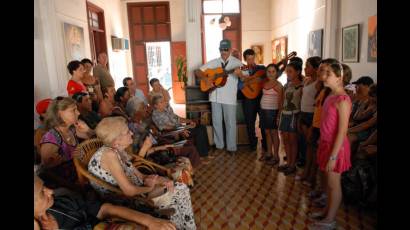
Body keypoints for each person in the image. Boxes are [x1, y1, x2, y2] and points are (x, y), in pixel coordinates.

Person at [88, 117, 196, 229]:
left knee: (176, 189)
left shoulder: (119, 150)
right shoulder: (109, 155)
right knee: (178, 192)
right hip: (123, 200)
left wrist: (160, 179)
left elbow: (141, 176)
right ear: (116, 140)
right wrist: (149, 188)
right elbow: (129, 191)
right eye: (127, 132)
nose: (131, 132)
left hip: (138, 189)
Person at [34, 175, 176, 230]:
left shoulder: (62, 200)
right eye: (42, 192)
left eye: (45, 186)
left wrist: (149, 221)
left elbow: (105, 209)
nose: (50, 191)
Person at [309, 58, 352, 229]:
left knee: (334, 185)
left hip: (337, 148)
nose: (323, 76)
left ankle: (330, 220)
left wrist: (333, 156)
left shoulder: (343, 100)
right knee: (327, 183)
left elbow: (342, 132)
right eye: (322, 72)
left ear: (339, 77)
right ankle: (327, 211)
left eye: (328, 73)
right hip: (326, 144)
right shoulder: (331, 96)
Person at [195, 39, 243, 155]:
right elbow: (197, 71)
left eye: (226, 49)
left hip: (229, 98)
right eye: (222, 49)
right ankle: (219, 145)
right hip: (214, 97)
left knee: (230, 123)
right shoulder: (214, 62)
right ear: (219, 50)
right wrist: (206, 78)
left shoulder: (238, 63)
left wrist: (240, 74)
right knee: (216, 122)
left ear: (230, 50)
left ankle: (231, 148)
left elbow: (245, 78)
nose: (224, 51)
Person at [40, 97, 94, 188]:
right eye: (73, 110)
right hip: (64, 185)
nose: (78, 113)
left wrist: (88, 130)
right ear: (59, 114)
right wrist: (69, 157)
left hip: (80, 175)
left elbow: (93, 138)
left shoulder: (72, 129)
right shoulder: (51, 137)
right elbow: (47, 169)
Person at [296, 56, 322, 184]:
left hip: (313, 116)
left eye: (308, 66)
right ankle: (306, 171)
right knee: (307, 146)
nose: (305, 68)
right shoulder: (307, 81)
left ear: (316, 69)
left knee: (312, 147)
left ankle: (312, 174)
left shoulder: (319, 83)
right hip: (304, 114)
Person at [237, 48, 267, 152]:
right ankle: (253, 144)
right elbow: (239, 87)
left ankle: (265, 144)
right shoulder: (242, 70)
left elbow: (269, 78)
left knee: (263, 122)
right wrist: (250, 81)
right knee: (250, 122)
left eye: (252, 58)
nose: (251, 61)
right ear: (245, 59)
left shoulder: (262, 68)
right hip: (248, 99)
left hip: (262, 98)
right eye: (249, 59)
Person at [278, 60, 303, 175]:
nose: (288, 74)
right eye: (287, 71)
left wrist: (299, 118)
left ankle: (293, 164)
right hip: (285, 114)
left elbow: (302, 104)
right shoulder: (286, 85)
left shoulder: (302, 86)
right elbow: (282, 101)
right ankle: (288, 163)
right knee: (285, 140)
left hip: (294, 115)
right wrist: (279, 115)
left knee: (293, 140)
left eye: (290, 71)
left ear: (298, 72)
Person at [259, 63, 283, 165]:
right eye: (269, 72)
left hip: (273, 112)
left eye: (273, 72)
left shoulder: (278, 85)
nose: (271, 74)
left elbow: (281, 102)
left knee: (273, 133)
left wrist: (278, 116)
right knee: (267, 133)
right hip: (264, 111)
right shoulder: (265, 83)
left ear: (277, 73)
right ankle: (269, 153)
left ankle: (276, 156)